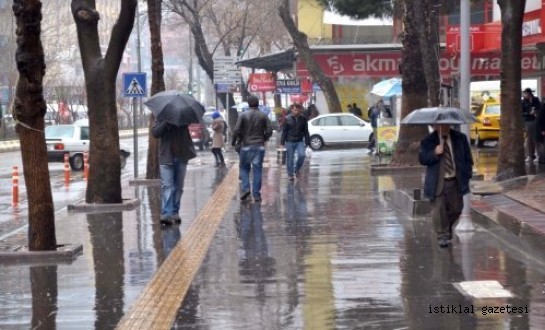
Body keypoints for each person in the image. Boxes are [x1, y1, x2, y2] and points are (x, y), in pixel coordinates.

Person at [419, 124, 473, 248]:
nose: (443, 127)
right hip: (438, 182)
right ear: (435, 126)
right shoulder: (428, 140)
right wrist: (434, 152)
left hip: (455, 180)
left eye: (446, 124)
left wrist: (467, 174)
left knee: (457, 208)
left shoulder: (460, 138)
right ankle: (442, 235)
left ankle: (446, 227)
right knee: (439, 209)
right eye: (440, 125)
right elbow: (422, 159)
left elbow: (468, 159)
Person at [152, 120, 197, 225]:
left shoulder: (183, 119)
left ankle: (175, 212)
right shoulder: (161, 117)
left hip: (181, 157)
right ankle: (166, 214)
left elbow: (186, 137)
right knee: (167, 186)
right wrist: (166, 123)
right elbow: (155, 133)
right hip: (166, 157)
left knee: (178, 187)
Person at [232, 95, 273, 202]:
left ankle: (246, 188)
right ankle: (257, 194)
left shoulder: (243, 115)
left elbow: (236, 130)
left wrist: (234, 142)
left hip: (245, 146)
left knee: (244, 168)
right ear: (257, 103)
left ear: (249, 103)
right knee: (257, 170)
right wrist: (263, 138)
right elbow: (269, 130)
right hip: (259, 146)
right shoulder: (263, 116)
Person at [281, 103, 310, 180]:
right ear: (291, 110)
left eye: (297, 109)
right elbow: (284, 131)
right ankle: (290, 174)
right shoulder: (287, 118)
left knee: (302, 155)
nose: (295, 111)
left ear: (300, 110)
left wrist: (307, 142)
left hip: (299, 141)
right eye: (294, 109)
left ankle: (297, 169)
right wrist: (282, 143)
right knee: (290, 158)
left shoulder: (303, 118)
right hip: (289, 141)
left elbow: (306, 131)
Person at [521, 87, 541, 163]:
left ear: (529, 94)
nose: (524, 95)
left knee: (536, 138)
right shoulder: (523, 102)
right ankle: (529, 155)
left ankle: (538, 155)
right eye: (524, 93)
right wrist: (529, 113)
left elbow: (540, 108)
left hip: (536, 120)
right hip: (528, 121)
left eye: (525, 93)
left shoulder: (535, 99)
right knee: (528, 139)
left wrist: (535, 111)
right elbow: (521, 112)